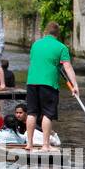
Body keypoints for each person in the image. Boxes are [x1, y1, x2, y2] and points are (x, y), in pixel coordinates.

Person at [26, 22, 77, 152]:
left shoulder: (35, 44)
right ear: (57, 33)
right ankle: (45, 145)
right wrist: (75, 85)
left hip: (32, 82)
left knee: (32, 113)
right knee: (47, 114)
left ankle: (29, 144)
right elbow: (67, 67)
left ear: (45, 32)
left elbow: (37, 61)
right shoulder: (61, 47)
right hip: (48, 83)